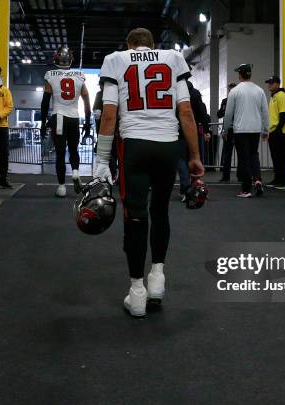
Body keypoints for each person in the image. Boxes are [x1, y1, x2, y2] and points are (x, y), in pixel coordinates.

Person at [95, 28, 204, 317]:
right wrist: (194, 156)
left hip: (135, 145)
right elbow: (186, 112)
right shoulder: (171, 58)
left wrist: (101, 159)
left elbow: (109, 114)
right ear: (152, 45)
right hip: (168, 145)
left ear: (129, 45)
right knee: (161, 211)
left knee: (135, 215)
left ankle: (137, 291)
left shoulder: (116, 60)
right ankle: (157, 277)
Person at [40, 46, 92, 197]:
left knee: (60, 153)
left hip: (58, 116)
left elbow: (45, 102)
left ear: (56, 58)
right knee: (74, 149)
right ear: (70, 58)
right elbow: (87, 99)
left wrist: (43, 123)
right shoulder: (79, 75)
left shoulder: (51, 75)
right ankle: (75, 172)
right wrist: (87, 121)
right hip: (74, 117)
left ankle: (62, 187)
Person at [222, 64, 269, 198]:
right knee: (254, 155)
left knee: (243, 158)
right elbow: (265, 111)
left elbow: (228, 113)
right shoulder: (259, 90)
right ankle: (258, 179)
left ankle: (246, 189)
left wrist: (225, 129)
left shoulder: (235, 91)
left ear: (240, 75)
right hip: (255, 129)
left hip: (240, 130)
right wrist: (266, 129)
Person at [177, 79, 210, 201]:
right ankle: (195, 186)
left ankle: (185, 190)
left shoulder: (174, 92)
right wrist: (206, 131)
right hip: (194, 132)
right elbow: (203, 113)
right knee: (195, 159)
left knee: (182, 161)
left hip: (178, 132)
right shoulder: (195, 93)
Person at [265, 75, 285, 189]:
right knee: (275, 157)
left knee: (281, 156)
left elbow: (284, 114)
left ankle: (284, 181)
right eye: (268, 83)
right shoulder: (273, 96)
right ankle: (277, 178)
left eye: (271, 83)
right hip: (273, 131)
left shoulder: (281, 95)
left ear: (277, 84)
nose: (269, 85)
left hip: (278, 131)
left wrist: (278, 130)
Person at [217, 82, 240, 183]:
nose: (231, 92)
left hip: (239, 129)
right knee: (227, 154)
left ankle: (241, 176)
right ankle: (225, 177)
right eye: (230, 90)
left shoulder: (240, 101)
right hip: (229, 129)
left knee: (241, 154)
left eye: (232, 90)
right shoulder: (225, 101)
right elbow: (219, 114)